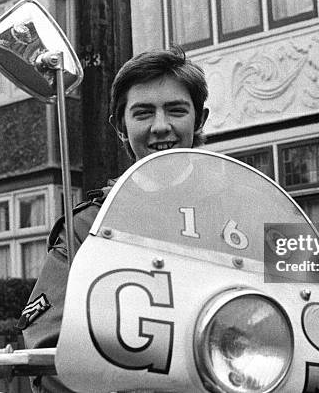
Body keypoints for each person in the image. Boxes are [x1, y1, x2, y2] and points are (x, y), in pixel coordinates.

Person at [18, 47, 209, 392]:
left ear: (200, 119)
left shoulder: (252, 210)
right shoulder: (87, 227)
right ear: (121, 127)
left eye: (176, 110)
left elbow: (314, 309)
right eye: (143, 113)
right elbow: (50, 348)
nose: (161, 126)